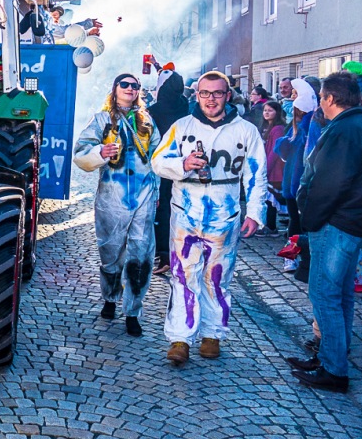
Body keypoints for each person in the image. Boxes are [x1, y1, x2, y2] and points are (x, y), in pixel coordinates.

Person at [152, 71, 267, 365]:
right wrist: (183, 163)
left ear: (227, 95)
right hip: (185, 213)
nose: (211, 99)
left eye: (217, 93)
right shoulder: (181, 127)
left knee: (217, 277)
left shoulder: (246, 131)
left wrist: (255, 212)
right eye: (205, 93)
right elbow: (158, 162)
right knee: (182, 275)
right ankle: (180, 337)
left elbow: (256, 174)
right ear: (197, 95)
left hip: (224, 213)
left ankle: (212, 334)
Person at [286, 73, 362, 393]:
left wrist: (310, 218)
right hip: (350, 224)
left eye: (321, 98)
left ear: (329, 99)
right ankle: (330, 358)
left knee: (325, 295)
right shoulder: (360, 125)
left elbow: (331, 183)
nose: (319, 103)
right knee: (340, 296)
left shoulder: (346, 129)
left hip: (337, 225)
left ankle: (333, 369)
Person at [73, 74, 159, 336]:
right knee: (110, 254)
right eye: (125, 84)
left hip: (144, 196)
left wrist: (158, 192)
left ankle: (133, 312)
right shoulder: (101, 120)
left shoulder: (147, 121)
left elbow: (159, 156)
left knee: (141, 257)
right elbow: (80, 153)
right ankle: (110, 296)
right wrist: (100, 152)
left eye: (135, 86)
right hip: (112, 197)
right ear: (115, 89)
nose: (130, 89)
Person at [275, 79, 317, 273]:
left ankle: (301, 258)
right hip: (293, 182)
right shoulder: (295, 129)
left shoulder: (309, 127)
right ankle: (292, 256)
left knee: (301, 222)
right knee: (295, 221)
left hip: (302, 183)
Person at [147, 68, 186, 276]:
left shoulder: (155, 110)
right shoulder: (186, 105)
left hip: (162, 165)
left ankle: (164, 255)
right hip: (183, 164)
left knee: (162, 210)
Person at [260, 100, 287, 236]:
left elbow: (275, 151)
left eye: (270, 110)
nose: (267, 113)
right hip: (271, 167)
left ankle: (271, 226)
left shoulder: (278, 129)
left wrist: (267, 168)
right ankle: (269, 225)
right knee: (270, 197)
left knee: (272, 197)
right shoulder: (269, 127)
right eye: (265, 110)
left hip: (276, 168)